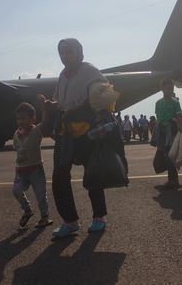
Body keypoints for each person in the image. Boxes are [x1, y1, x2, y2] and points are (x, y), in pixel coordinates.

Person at [39, 38, 127, 239]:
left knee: (93, 173)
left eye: (68, 52)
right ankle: (70, 222)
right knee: (60, 178)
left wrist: (83, 107)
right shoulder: (63, 75)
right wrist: (51, 105)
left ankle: (99, 217)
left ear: (78, 52)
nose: (64, 56)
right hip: (66, 133)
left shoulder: (90, 71)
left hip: (87, 133)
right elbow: (60, 102)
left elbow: (103, 97)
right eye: (61, 52)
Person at [12, 102, 52, 229]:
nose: (20, 121)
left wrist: (45, 109)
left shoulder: (36, 131)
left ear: (32, 118)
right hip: (21, 171)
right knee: (16, 190)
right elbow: (16, 148)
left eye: (23, 118)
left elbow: (45, 122)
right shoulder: (16, 134)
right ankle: (27, 210)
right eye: (18, 118)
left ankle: (44, 217)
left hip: (36, 170)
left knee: (41, 194)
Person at [154, 79, 182, 189]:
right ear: (162, 89)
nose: (170, 90)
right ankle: (173, 179)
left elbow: (179, 117)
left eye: (172, 88)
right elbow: (158, 118)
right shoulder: (158, 103)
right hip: (161, 132)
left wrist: (181, 132)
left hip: (171, 132)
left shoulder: (175, 102)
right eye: (168, 88)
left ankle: (173, 180)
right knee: (166, 155)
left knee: (170, 156)